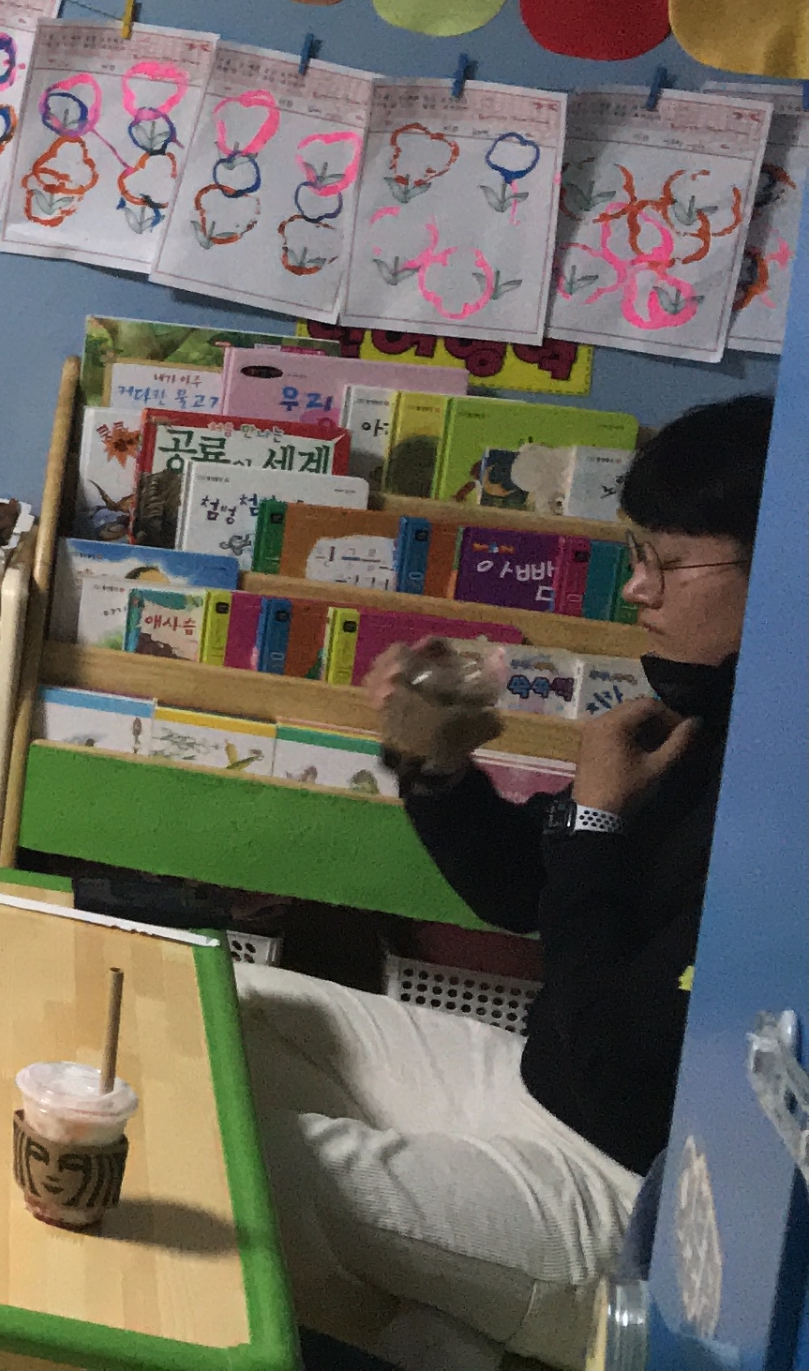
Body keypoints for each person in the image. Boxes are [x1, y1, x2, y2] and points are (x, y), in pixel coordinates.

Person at [239, 394, 767, 1371]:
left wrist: (598, 823)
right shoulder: (708, 722)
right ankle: (444, 1323)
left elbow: (616, 1059)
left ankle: (455, 1325)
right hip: (530, 1084)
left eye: (666, 561)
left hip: (618, 1195)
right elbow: (528, 890)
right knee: (225, 999)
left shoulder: (780, 818)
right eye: (637, 555)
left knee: (243, 1157)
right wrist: (435, 763)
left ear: (776, 571)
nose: (637, 590)